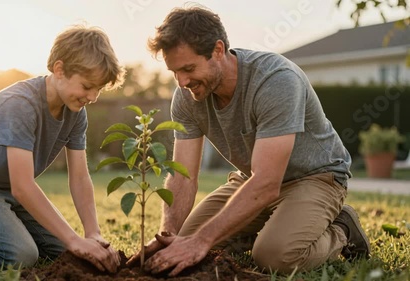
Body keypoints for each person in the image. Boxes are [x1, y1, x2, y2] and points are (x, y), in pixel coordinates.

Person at [128, 6, 371, 276]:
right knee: (184, 241)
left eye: (188, 68)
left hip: (315, 178)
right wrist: (168, 237)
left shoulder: (275, 81)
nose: (182, 81)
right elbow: (183, 176)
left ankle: (343, 229)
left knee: (274, 257)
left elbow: (267, 182)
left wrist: (201, 240)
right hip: (250, 180)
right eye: (175, 71)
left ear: (218, 50)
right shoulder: (187, 95)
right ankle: (267, 228)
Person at [0, 25, 125, 272]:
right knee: (21, 256)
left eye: (99, 89)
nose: (93, 96)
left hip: (9, 187)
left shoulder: (76, 112)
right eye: (87, 86)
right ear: (59, 69)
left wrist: (92, 233)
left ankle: (5, 223)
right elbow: (22, 186)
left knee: (64, 253)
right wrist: (75, 240)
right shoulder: (20, 105)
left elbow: (79, 176)